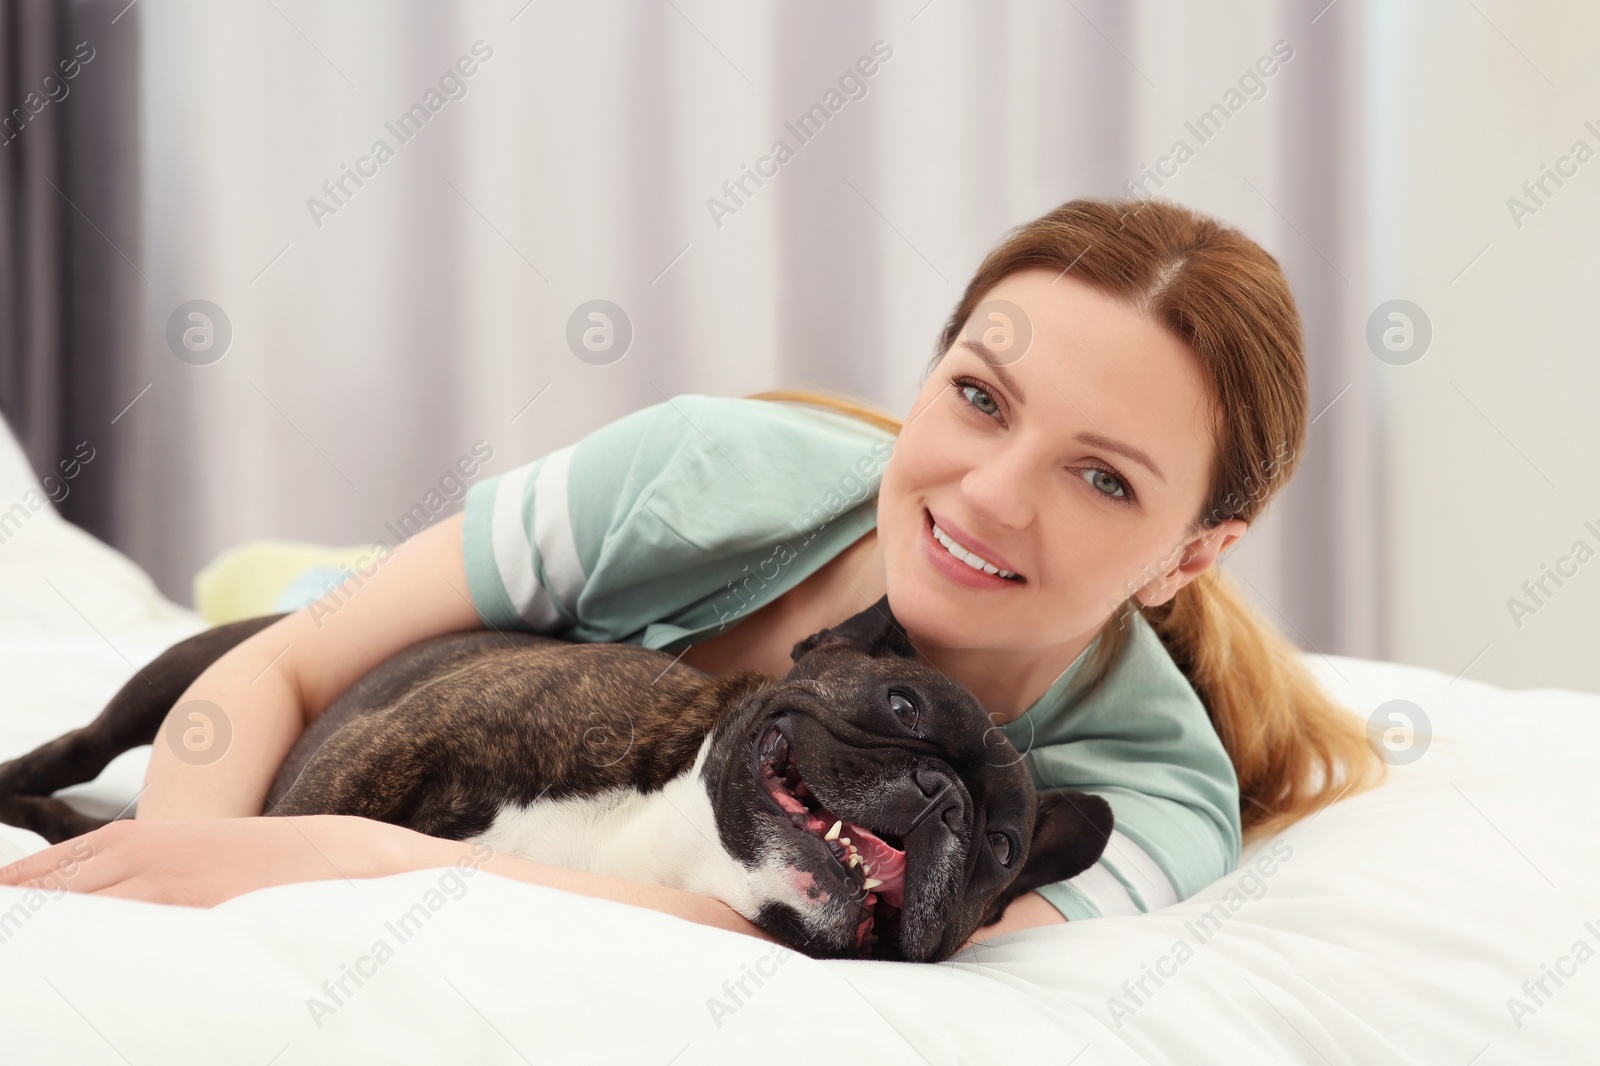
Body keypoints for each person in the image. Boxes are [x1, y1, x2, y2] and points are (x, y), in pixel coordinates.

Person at [0, 197, 1386, 948]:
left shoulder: (1145, 798)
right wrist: (192, 874)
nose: (990, 495)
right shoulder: (703, 473)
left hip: (458, 786)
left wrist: (365, 859)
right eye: (977, 397)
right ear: (927, 375)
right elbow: (293, 664)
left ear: (1191, 556)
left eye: (1103, 479)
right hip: (436, 660)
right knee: (290, 599)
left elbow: (796, 940)